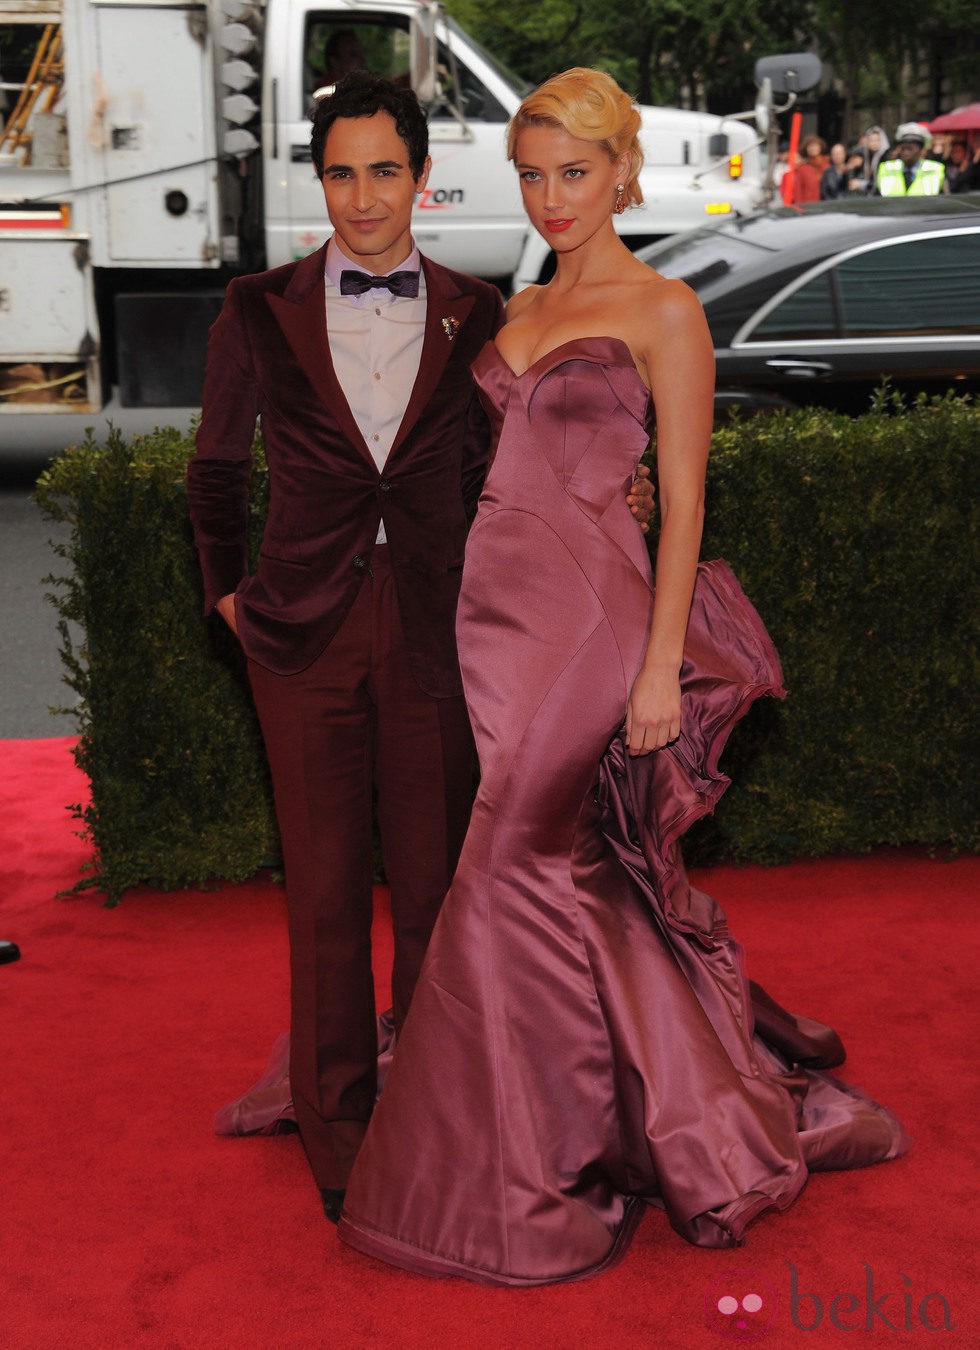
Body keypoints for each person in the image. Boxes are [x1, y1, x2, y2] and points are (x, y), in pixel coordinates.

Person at [336, 66, 908, 1287]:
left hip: (595, 627)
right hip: (493, 623)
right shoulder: (514, 309)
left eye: (574, 174)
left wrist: (659, 669)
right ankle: (613, 1107)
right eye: (533, 176)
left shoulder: (661, 310)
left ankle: (506, 1174)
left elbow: (684, 503)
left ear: (622, 173)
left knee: (506, 864)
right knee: (558, 877)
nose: (551, 198)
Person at [186, 72, 652, 1224]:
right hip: (301, 632)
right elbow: (213, 467)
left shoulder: (479, 308)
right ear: (319, 179)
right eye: (339, 171)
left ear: (421, 178)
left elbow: (515, 458)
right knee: (327, 892)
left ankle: (435, 1108)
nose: (360, 197)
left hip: (445, 633)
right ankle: (339, 1132)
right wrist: (227, 599)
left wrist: (615, 489)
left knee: (438, 889)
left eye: (382, 170)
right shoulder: (259, 305)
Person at [876, 122, 946, 195]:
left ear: (921, 150)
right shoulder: (887, 168)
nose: (906, 152)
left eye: (910, 149)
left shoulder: (935, 169)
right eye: (903, 148)